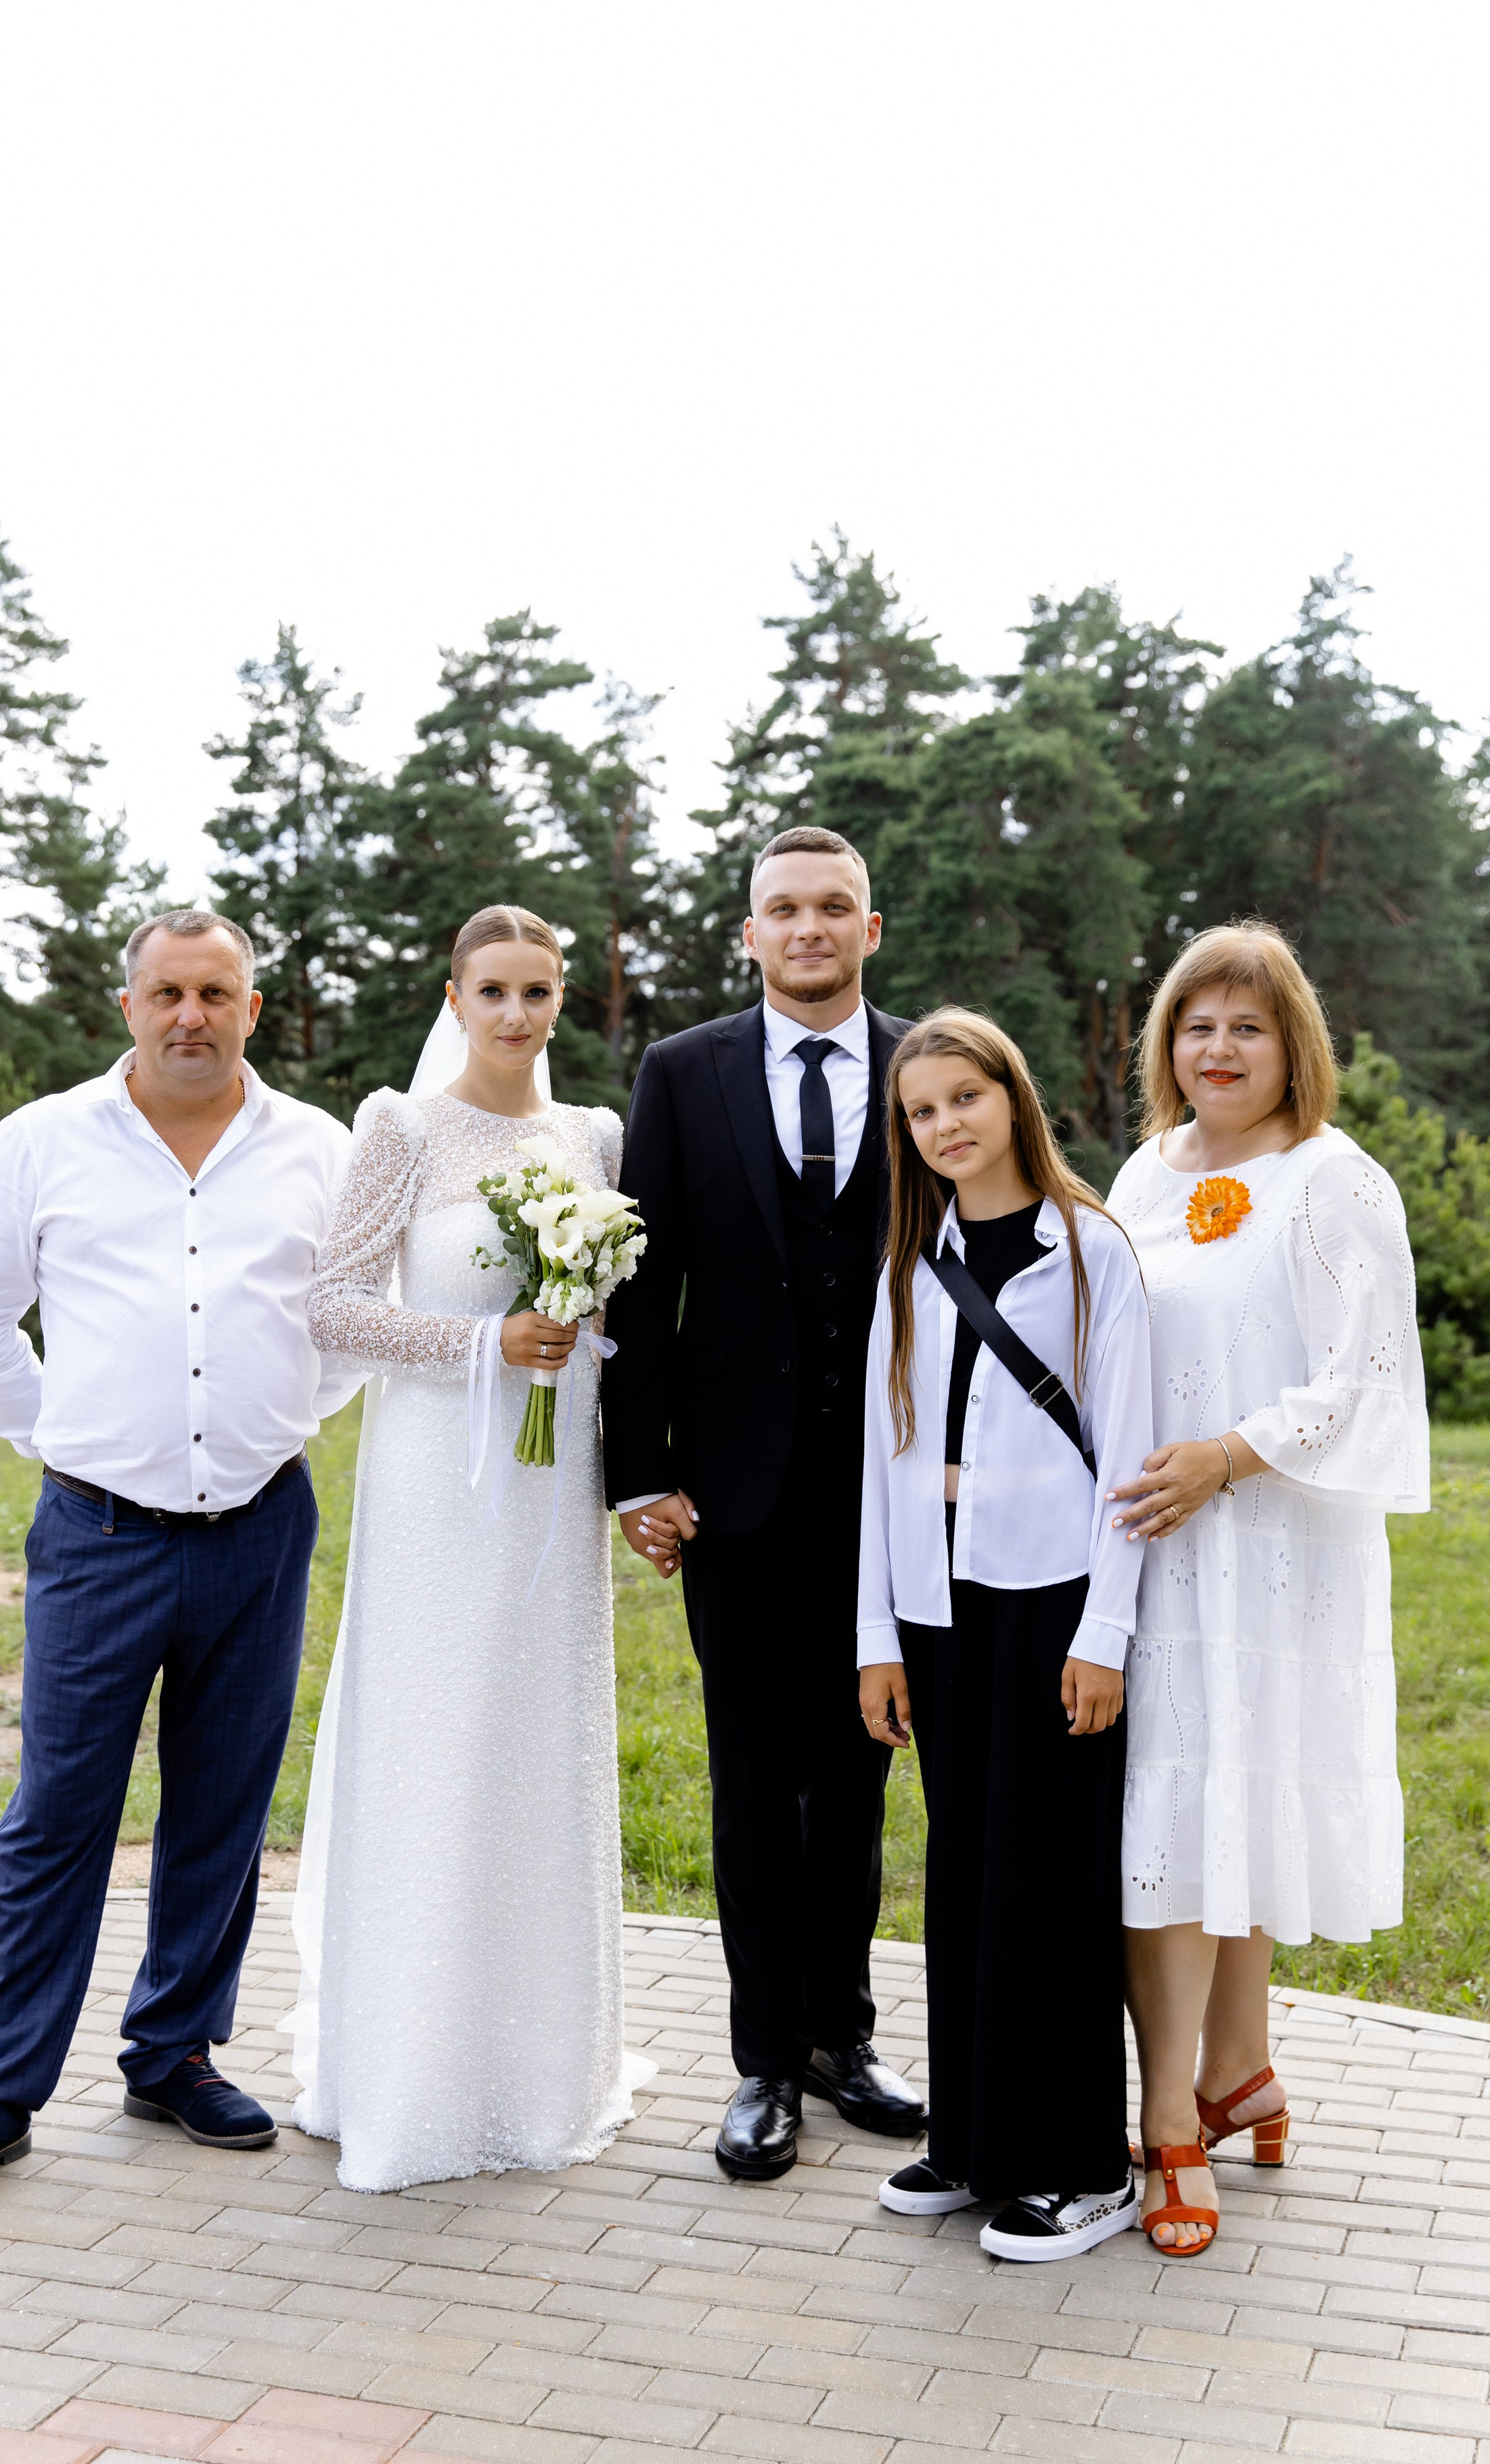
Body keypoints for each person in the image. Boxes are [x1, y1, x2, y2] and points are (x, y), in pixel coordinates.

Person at [0, 909, 363, 2206]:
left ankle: (174, 2052)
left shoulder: (317, 1149)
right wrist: (65, 1437)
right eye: (169, 991)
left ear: (254, 1007)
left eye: (218, 991)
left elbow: (343, 1324)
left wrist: (283, 1420)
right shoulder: (42, 1140)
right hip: (98, 1532)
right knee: (58, 1815)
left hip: (263, 1527)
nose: (192, 1015)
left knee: (222, 1805)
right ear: (129, 1004)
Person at [288, 903, 646, 2191]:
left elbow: (608, 1320)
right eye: (492, 989)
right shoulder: (401, 1125)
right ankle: (409, 2076)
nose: (516, 1014)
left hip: (550, 1495)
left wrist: (571, 1331)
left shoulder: (593, 1136)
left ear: (563, 998)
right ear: (454, 993)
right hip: (439, 1486)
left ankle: (538, 2066)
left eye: (539, 991)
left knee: (535, 1740)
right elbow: (333, 1304)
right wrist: (482, 1346)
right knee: (435, 1741)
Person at [602, 826, 925, 2180]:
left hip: (893, 1494)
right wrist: (636, 1468)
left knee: (854, 1778)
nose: (807, 927)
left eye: (831, 907)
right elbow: (641, 1278)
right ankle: (759, 2063)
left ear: (867, 928)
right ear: (748, 933)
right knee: (750, 1782)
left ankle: (840, 2040)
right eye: (782, 909)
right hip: (729, 1493)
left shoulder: (928, 1063)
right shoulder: (681, 1073)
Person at [1106, 922, 1427, 2256]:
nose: (1216, 1048)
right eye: (1194, 1024)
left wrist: (1229, 1457)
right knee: (1186, 1806)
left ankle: (1170, 2121)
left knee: (1204, 1806)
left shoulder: (1330, 1179)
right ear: (1163, 1044)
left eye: (1243, 1025)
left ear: (1289, 1039)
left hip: (1269, 1539)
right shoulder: (1139, 1170)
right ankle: (1239, 2071)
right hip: (1155, 1541)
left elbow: (1361, 1375)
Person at [857, 1011, 1152, 2260]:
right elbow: (884, 1457)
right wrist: (877, 1633)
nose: (946, 1125)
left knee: (1054, 1877)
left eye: (965, 1097)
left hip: (1054, 1599)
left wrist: (1107, 1632)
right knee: (968, 1875)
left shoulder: (1094, 1253)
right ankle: (976, 2139)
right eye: (922, 1111)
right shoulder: (911, 1266)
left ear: (1011, 1097)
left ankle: (1085, 2163)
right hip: (939, 1604)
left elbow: (1130, 1459)